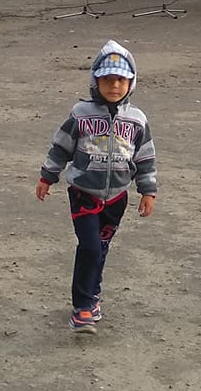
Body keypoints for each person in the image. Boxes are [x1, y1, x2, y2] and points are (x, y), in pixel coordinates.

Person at [35, 40, 157, 333]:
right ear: (95, 81)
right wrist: (47, 176)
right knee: (89, 246)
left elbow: (145, 157)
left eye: (121, 80)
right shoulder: (81, 114)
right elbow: (60, 147)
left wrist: (148, 190)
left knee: (100, 248)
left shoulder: (137, 120)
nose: (114, 86)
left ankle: (92, 295)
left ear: (131, 83)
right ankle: (82, 307)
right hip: (84, 193)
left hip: (117, 197)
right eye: (107, 79)